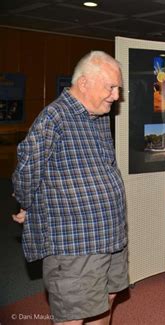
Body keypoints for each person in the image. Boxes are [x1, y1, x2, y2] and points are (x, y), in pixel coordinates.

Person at [11, 51, 128, 324]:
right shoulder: (53, 118)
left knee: (105, 300)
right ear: (84, 83)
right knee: (73, 314)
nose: (115, 96)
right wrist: (28, 204)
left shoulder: (99, 116)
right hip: (76, 241)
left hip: (111, 234)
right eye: (110, 87)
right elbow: (26, 172)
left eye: (118, 88)